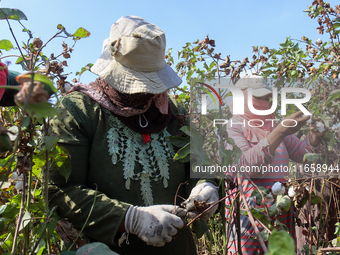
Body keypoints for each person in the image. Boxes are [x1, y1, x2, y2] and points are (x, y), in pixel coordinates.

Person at [48, 15, 219, 255]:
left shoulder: (174, 113)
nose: (145, 93)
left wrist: (206, 184)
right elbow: (59, 191)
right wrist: (129, 218)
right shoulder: (78, 111)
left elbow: (200, 162)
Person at [224, 75, 327, 254]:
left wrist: (314, 137)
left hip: (280, 211)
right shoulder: (233, 128)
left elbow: (302, 152)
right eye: (260, 98)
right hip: (250, 214)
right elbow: (245, 166)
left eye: (268, 98)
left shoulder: (272, 125)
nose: (266, 102)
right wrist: (279, 131)